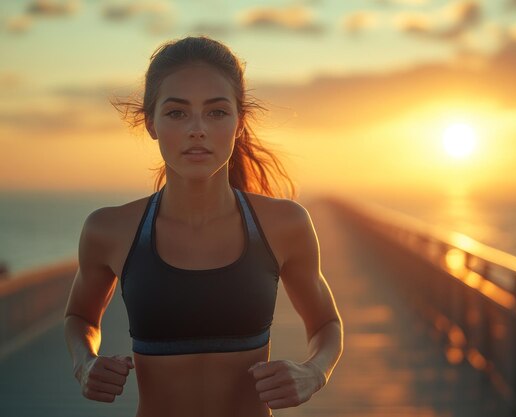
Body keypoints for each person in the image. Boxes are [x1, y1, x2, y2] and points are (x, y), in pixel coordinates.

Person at [64, 36, 343, 417]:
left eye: (216, 112)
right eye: (177, 113)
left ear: (239, 122)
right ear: (151, 123)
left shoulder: (284, 224)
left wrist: (314, 372)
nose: (197, 129)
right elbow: (79, 317)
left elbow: (326, 323)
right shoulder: (109, 230)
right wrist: (85, 363)